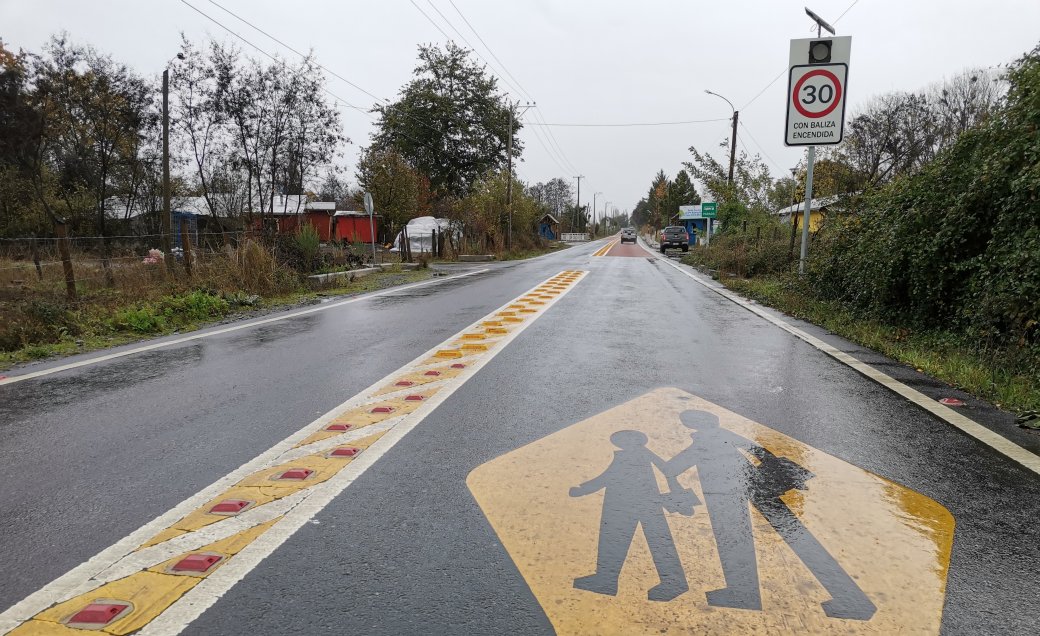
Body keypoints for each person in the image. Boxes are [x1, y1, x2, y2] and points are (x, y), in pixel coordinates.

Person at [665, 410, 875, 620]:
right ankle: (850, 597)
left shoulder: (706, 439)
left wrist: (664, 469)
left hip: (729, 493)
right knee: (792, 536)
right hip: (756, 487)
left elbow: (676, 465)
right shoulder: (723, 434)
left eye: (689, 422)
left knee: (736, 540)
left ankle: (743, 592)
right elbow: (761, 452)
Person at [570, 430, 692, 601]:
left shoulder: (635, 455)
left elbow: (608, 477)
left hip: (632, 501)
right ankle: (607, 579)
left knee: (654, 539)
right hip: (632, 500)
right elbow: (666, 470)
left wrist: (583, 489)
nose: (624, 442)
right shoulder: (632, 455)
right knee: (619, 539)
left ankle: (672, 582)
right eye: (621, 440)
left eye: (628, 439)